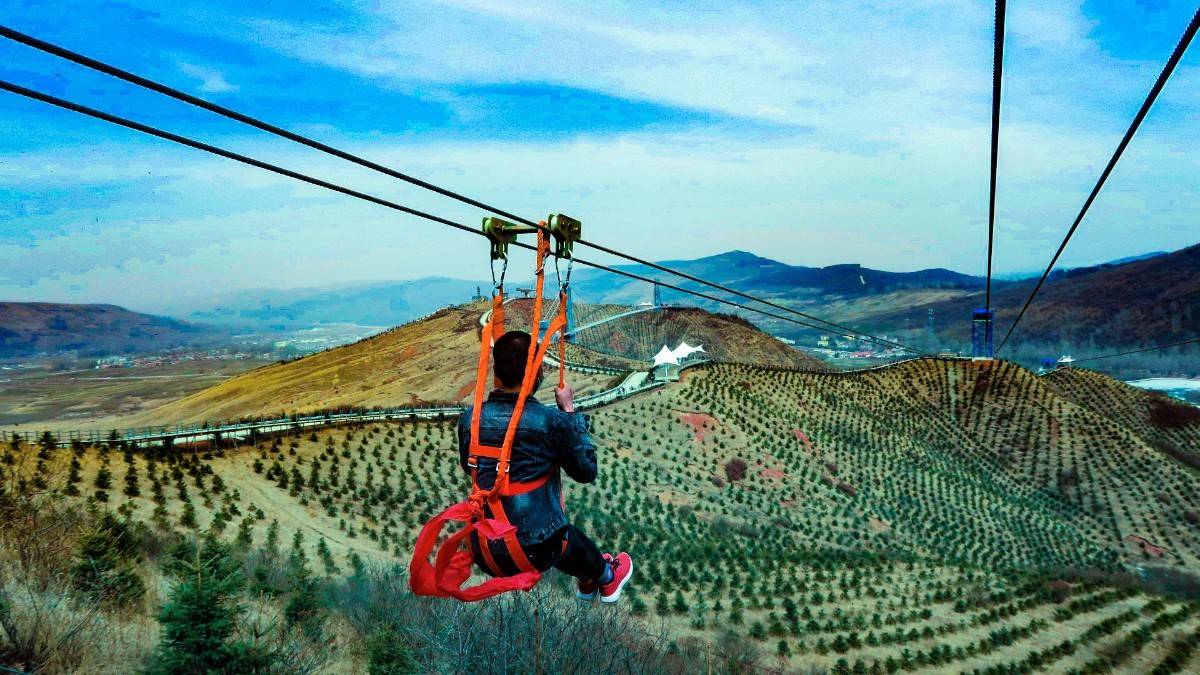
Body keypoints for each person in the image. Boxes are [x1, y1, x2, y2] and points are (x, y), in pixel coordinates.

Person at [458, 330, 633, 602]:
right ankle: (607, 577)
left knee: (554, 535)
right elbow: (586, 471)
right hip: (534, 549)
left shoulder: (470, 418)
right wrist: (569, 411)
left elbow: (468, 467)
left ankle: (589, 576)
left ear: (497, 372)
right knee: (555, 535)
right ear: (536, 373)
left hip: (484, 548)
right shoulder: (550, 421)